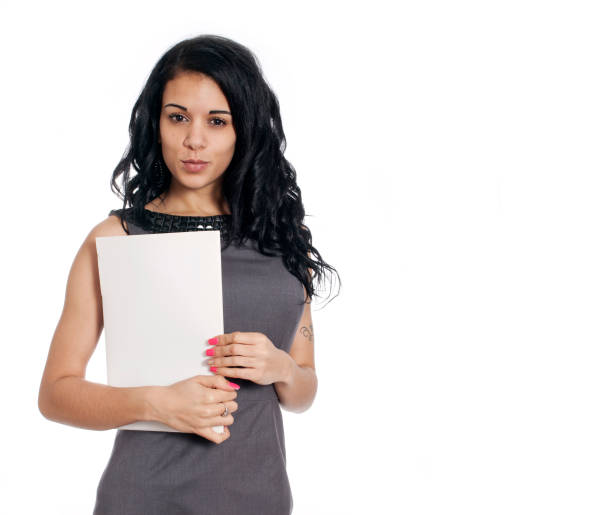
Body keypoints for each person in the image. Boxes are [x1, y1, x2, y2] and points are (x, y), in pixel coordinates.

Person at [37, 34, 340, 514]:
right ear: (155, 123)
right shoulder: (116, 238)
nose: (194, 140)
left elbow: (303, 392)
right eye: (178, 117)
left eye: (216, 122)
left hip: (257, 498)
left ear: (243, 131)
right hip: (144, 497)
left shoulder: (283, 237)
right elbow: (55, 394)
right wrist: (155, 403)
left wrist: (280, 366)